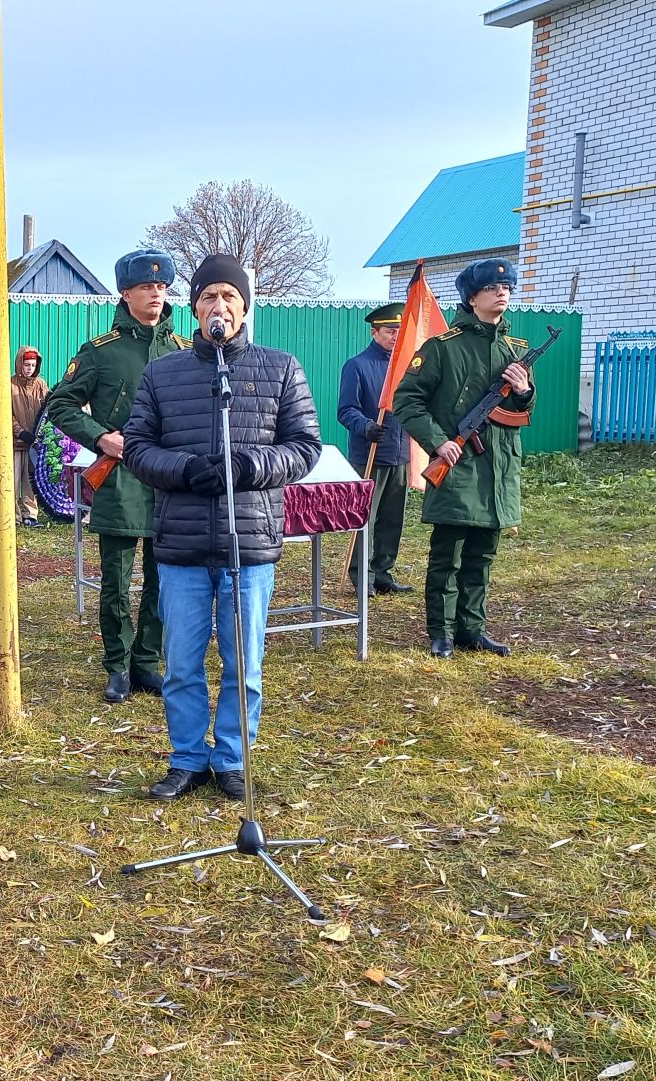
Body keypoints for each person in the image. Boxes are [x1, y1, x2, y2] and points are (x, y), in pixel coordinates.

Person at [122, 255, 322, 802]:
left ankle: (233, 758)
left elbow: (305, 448)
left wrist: (251, 467)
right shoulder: (162, 373)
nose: (219, 306)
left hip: (249, 541)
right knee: (183, 662)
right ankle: (187, 758)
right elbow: (137, 448)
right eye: (208, 296)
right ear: (194, 309)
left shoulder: (279, 368)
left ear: (244, 308)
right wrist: (184, 469)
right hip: (181, 543)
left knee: (244, 663)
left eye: (229, 297)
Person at [45, 248, 187, 703]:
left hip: (169, 479)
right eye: (146, 287)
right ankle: (116, 665)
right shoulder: (100, 353)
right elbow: (61, 403)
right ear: (125, 293)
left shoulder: (184, 350)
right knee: (116, 581)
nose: (155, 294)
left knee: (164, 579)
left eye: (162, 286)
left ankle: (147, 662)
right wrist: (101, 437)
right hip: (122, 477)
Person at [393, 258, 535, 660]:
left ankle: (473, 628)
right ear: (472, 297)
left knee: (482, 555)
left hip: (497, 470)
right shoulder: (442, 348)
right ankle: (441, 632)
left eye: (506, 287)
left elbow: (524, 411)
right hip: (457, 466)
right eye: (491, 287)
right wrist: (438, 442)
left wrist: (523, 390)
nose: (501, 292)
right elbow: (406, 401)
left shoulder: (515, 350)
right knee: (448, 556)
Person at [337, 302, 415, 595]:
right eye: (389, 331)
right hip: (368, 455)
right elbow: (346, 410)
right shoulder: (357, 365)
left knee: (393, 518)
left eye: (398, 330)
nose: (395, 336)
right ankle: (361, 575)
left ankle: (383, 571)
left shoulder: (407, 368)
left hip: (400, 454)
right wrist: (366, 427)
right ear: (375, 332)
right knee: (365, 518)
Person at [10, 345, 50, 526]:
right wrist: (20, 432)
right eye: (26, 365)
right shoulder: (9, 384)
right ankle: (12, 516)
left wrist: (41, 432)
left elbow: (47, 409)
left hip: (35, 442)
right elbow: (5, 413)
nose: (30, 369)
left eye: (33, 365)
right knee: (12, 481)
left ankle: (30, 515)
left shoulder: (41, 384)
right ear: (20, 364)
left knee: (30, 481)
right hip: (15, 442)